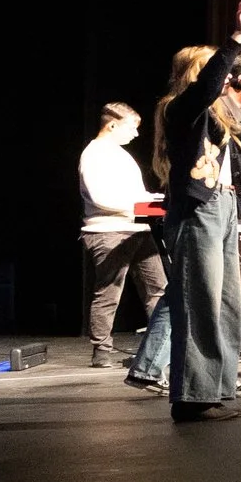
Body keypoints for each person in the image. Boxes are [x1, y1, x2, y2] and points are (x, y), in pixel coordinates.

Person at [162, 0, 241, 423]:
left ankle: (217, 390)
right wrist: (236, 39)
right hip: (196, 209)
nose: (224, 79)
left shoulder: (215, 118)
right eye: (215, 70)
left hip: (223, 206)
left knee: (228, 304)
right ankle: (192, 398)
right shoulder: (179, 107)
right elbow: (207, 87)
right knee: (200, 302)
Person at [123, 47, 215, 396]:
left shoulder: (201, 107)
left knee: (178, 290)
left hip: (195, 205)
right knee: (182, 292)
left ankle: (147, 368)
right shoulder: (177, 106)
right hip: (189, 209)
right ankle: (154, 368)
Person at [78, 103, 166, 368]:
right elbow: (100, 197)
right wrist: (142, 205)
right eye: (131, 127)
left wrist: (155, 201)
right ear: (113, 125)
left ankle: (162, 346)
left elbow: (135, 195)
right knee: (109, 291)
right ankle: (101, 351)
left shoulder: (122, 156)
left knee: (159, 290)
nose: (136, 134)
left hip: (138, 229)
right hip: (108, 231)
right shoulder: (93, 154)